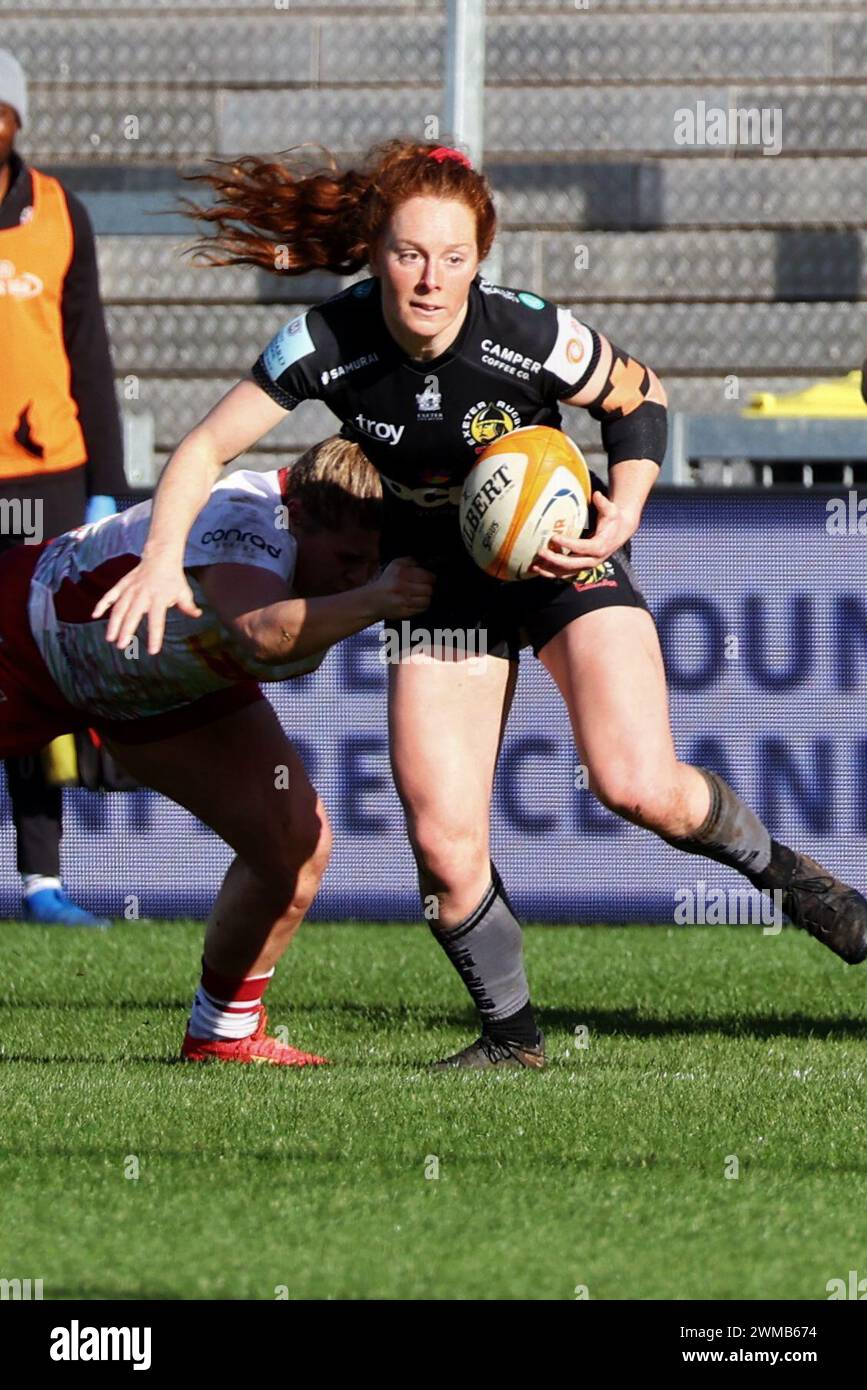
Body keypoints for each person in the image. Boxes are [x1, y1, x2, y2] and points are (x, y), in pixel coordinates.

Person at [92, 139, 867, 1070]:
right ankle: (513, 1042)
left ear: (480, 258)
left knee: (637, 784)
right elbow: (206, 446)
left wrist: (621, 509)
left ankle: (793, 880)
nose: (430, 280)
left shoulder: (526, 332)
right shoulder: (327, 343)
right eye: (411, 254)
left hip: (557, 556)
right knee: (442, 842)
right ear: (377, 251)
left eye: (453, 258)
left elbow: (639, 397)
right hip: (437, 581)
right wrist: (162, 557)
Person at [0, 435, 434, 1064]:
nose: (358, 577)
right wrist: (380, 598)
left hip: (162, 690)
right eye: (347, 559)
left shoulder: (350, 552)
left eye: (372, 564)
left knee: (295, 839)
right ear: (302, 516)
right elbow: (261, 633)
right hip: (26, 639)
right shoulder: (244, 514)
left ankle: (223, 1033)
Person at [0, 49, 126, 926]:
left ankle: (42, 878)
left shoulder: (59, 213)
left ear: (13, 120)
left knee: (36, 677)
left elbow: (90, 356)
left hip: (47, 476)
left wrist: (106, 491)